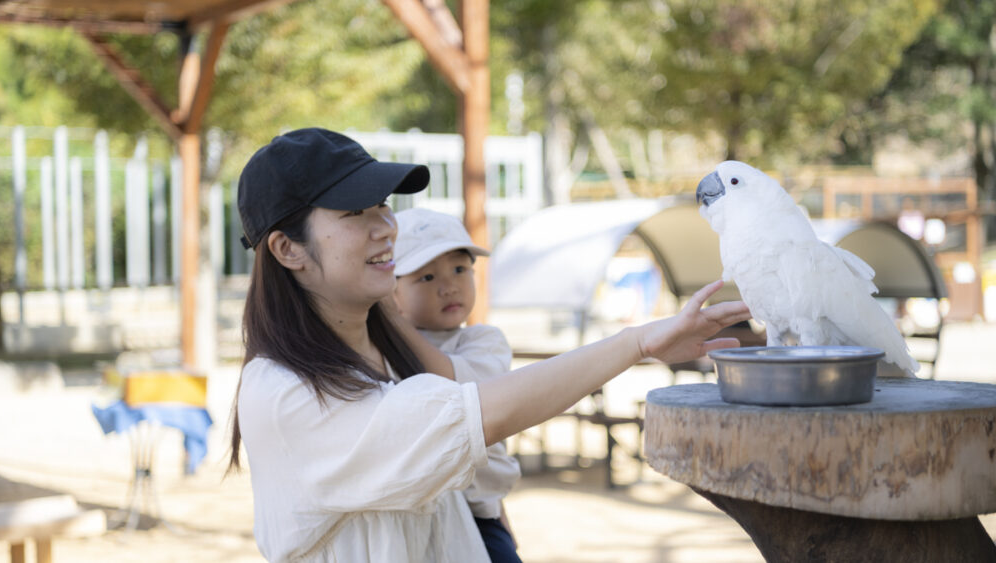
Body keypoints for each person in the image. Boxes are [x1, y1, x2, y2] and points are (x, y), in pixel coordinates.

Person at [228, 127, 752, 563]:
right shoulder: (283, 393)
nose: (386, 227)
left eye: (382, 205)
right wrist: (637, 343)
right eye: (353, 214)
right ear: (287, 248)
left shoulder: (396, 356)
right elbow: (478, 413)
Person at [389, 207, 521, 562]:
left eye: (460, 269)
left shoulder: (483, 342)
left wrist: (391, 323)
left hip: (478, 513)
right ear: (392, 293)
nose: (449, 286)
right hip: (408, 515)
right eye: (426, 277)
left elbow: (462, 390)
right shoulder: (377, 352)